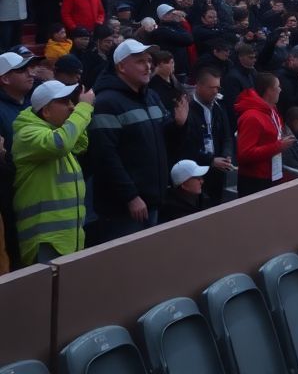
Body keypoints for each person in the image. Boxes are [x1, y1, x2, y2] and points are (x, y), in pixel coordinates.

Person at [88, 39, 188, 242]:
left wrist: (178, 124)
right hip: (124, 209)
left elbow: (161, 140)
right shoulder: (106, 102)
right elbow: (106, 157)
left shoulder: (151, 96)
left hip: (152, 200)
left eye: (149, 61)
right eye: (140, 61)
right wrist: (130, 196)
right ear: (121, 66)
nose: (148, 66)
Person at [12, 80, 94, 263]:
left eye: (72, 102)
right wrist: (84, 108)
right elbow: (61, 143)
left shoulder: (56, 132)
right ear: (46, 111)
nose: (72, 107)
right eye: (65, 102)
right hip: (45, 241)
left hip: (68, 239)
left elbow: (79, 144)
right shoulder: (27, 134)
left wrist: (76, 112)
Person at [234, 72, 294, 197]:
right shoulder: (252, 117)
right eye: (278, 87)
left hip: (273, 174)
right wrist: (278, 146)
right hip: (255, 181)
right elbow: (244, 154)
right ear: (269, 91)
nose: (280, 90)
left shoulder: (272, 111)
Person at [179, 68, 233, 205]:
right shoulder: (187, 110)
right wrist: (211, 161)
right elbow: (186, 146)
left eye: (218, 87)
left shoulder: (219, 107)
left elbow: (227, 136)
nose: (215, 91)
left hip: (218, 171)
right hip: (196, 172)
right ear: (198, 86)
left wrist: (226, 155)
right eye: (211, 87)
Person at [0, 50, 34, 267]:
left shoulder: (34, 104)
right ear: (4, 78)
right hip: (10, 196)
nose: (30, 73)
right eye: (22, 70)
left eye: (30, 68)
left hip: (35, 194)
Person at [160, 160, 209, 224]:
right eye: (197, 178)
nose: (202, 181)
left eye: (201, 177)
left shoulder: (203, 200)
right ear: (184, 185)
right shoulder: (172, 213)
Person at [222, 42, 257, 131]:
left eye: (254, 57)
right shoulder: (232, 77)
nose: (254, 60)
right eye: (251, 58)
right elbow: (233, 105)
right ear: (241, 57)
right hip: (242, 120)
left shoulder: (252, 72)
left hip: (252, 114)